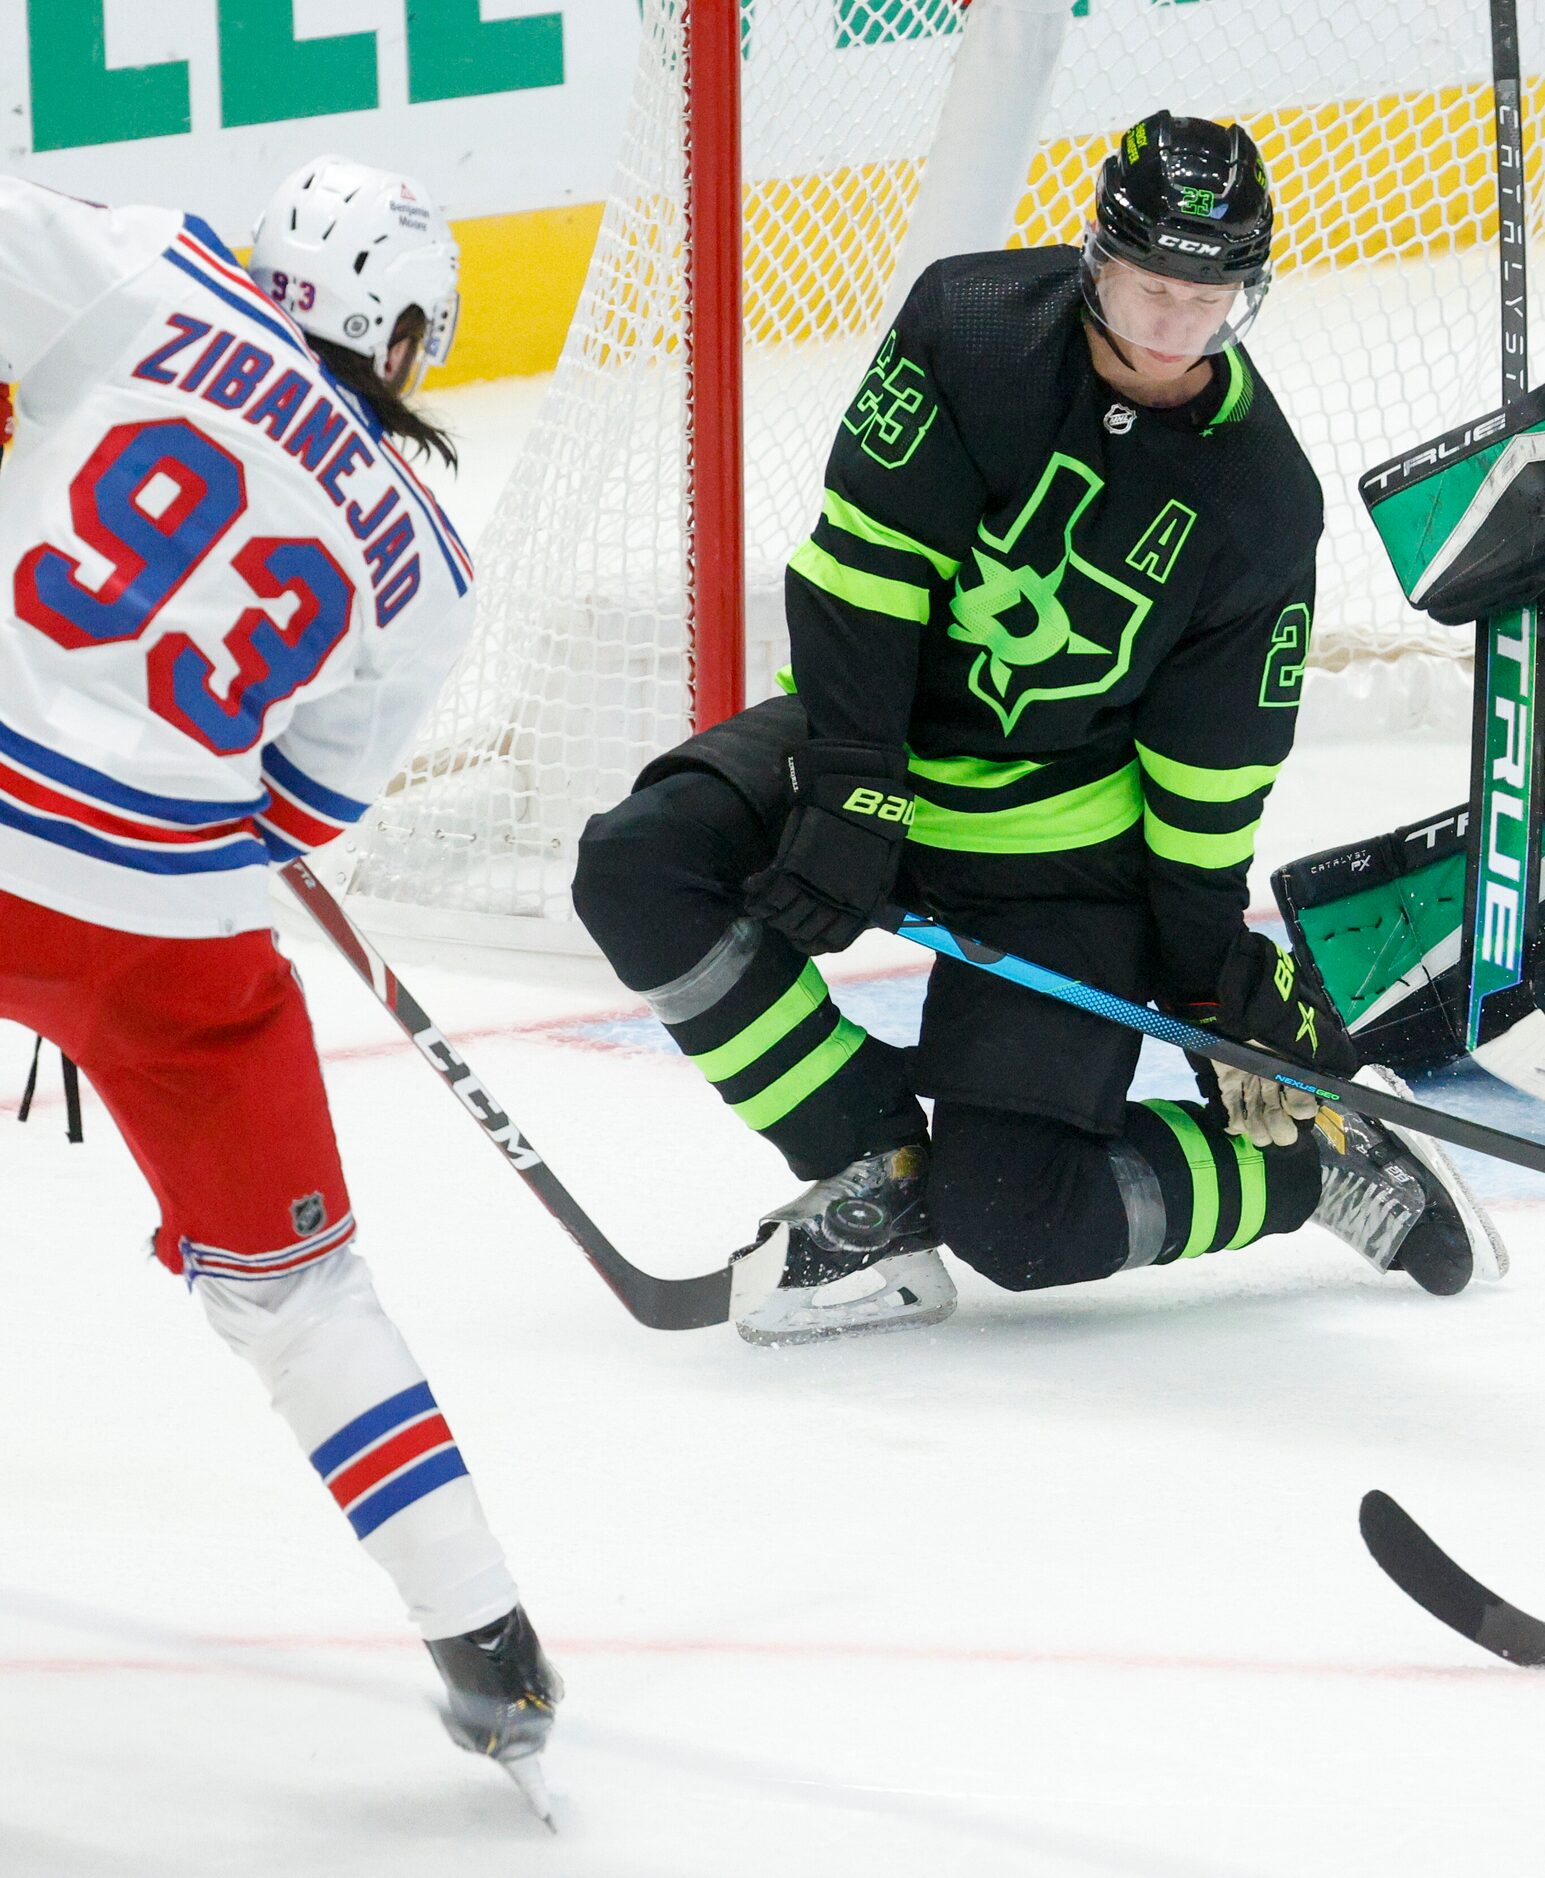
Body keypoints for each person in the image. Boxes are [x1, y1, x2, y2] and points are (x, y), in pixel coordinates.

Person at [573, 112, 1505, 1344]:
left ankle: (1311, 1170)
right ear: (1095, 257)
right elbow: (862, 573)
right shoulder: (968, 331)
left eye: (1209, 294)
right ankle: (875, 1178)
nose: (1174, 327)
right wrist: (858, 789)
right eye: (1151, 286)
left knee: (1019, 1218)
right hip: (877, 749)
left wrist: (1205, 969)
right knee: (640, 863)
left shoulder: (1260, 499)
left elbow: (1208, 773)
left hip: (1062, 857)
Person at [0, 156, 559, 1794]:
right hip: (161, 924)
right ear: (398, 343)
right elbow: (297, 809)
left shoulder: (147, 273)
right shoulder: (432, 569)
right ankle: (489, 1647)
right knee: (299, 1292)